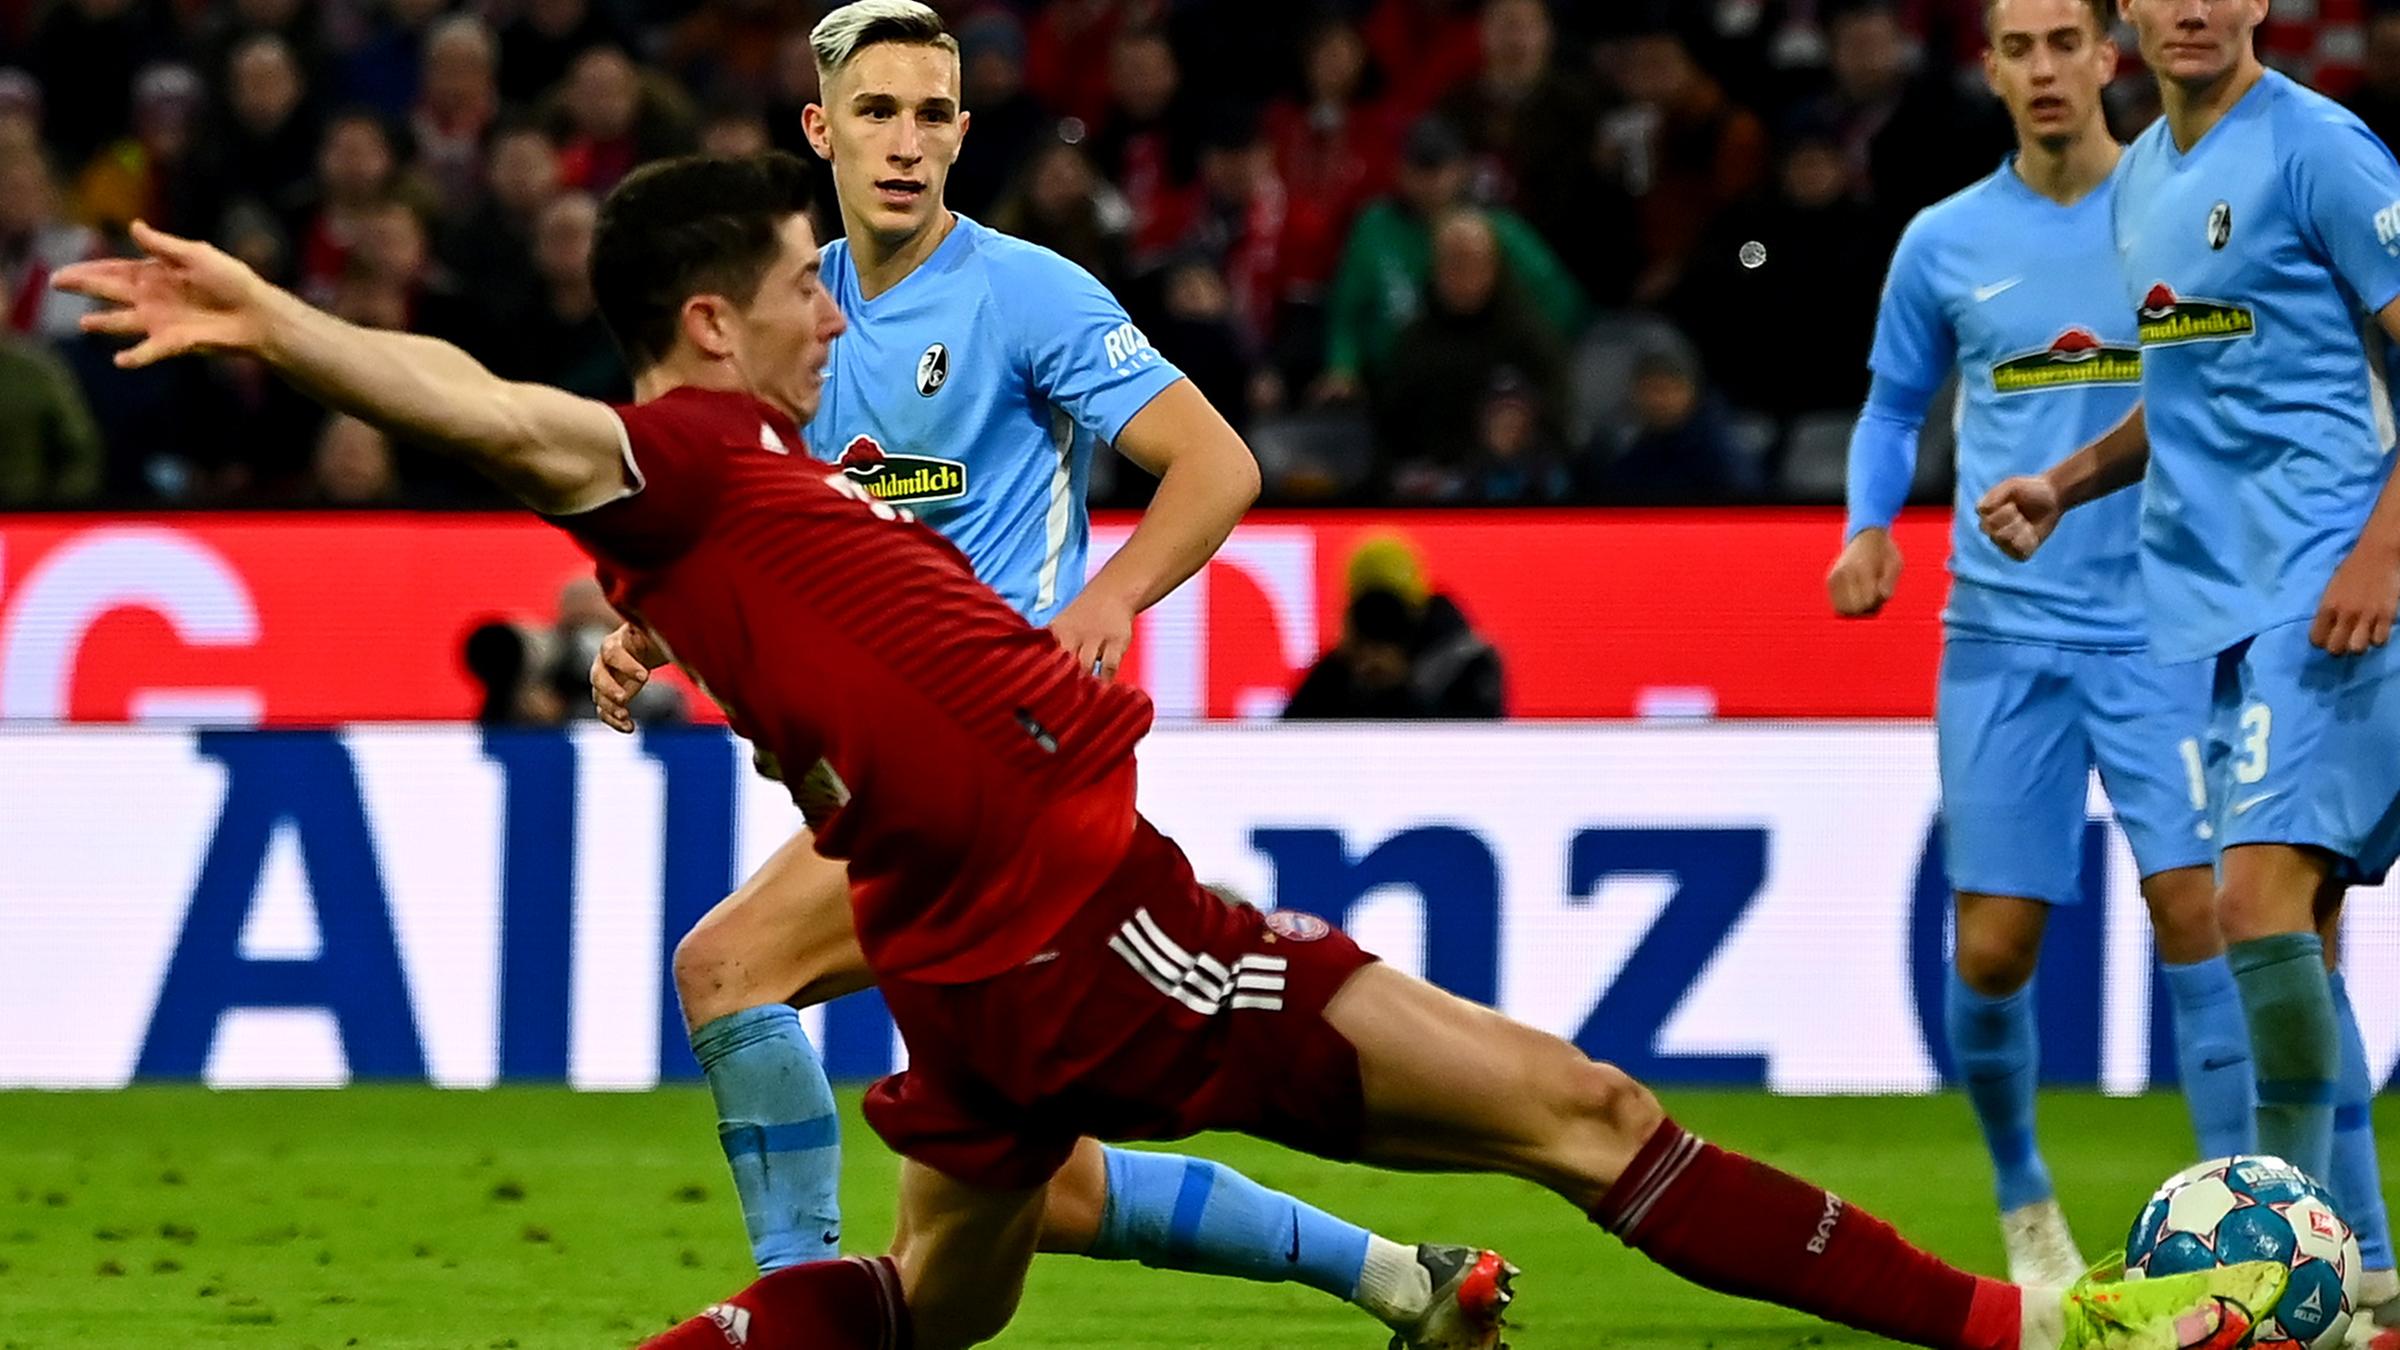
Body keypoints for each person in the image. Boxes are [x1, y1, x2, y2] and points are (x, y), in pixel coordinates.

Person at [60, 157, 2286, 1350]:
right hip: (1085, 922)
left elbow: (796, 640)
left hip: (967, 954)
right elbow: (477, 403)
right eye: (805, 284)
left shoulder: (753, 491)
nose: (841, 306)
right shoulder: (680, 456)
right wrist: (282, 325)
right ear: (716, 320)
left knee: (935, 1301)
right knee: (1584, 1115)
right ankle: (2040, 1333)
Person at [594, 6, 1502, 1347]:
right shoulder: (798, 318)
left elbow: (1220, 464)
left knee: (728, 969)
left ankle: (796, 1308)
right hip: (908, 773)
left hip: (991, 758)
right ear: (821, 131)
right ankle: (1407, 1280)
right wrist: (660, 633)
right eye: (877, 112)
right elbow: (783, 521)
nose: (906, 143)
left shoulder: (1028, 294)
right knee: (1051, 1188)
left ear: (964, 132)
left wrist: (1106, 600)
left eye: (932, 115)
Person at [1979, 0, 2400, 1330]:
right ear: (2131, 13)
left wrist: (2384, 548)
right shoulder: (2147, 177)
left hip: (2333, 591)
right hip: (2223, 609)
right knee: (2298, 940)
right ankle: (2364, 1274)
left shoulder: (2320, 149)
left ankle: (2280, 1270)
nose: (2196, 7)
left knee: (2253, 908)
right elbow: (2189, 389)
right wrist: (2063, 482)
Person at [1825, 0, 2257, 1291]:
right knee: (1994, 948)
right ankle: (2026, 1204)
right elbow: (1893, 405)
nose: (2046, 68)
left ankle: (2244, 1217)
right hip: (2002, 636)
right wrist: (1868, 529)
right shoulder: (1944, 241)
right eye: (2019, 49)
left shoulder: (2183, 212)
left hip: (2165, 625)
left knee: (2199, 909)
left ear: (2107, 58)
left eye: (2065, 41)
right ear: (1992, 73)